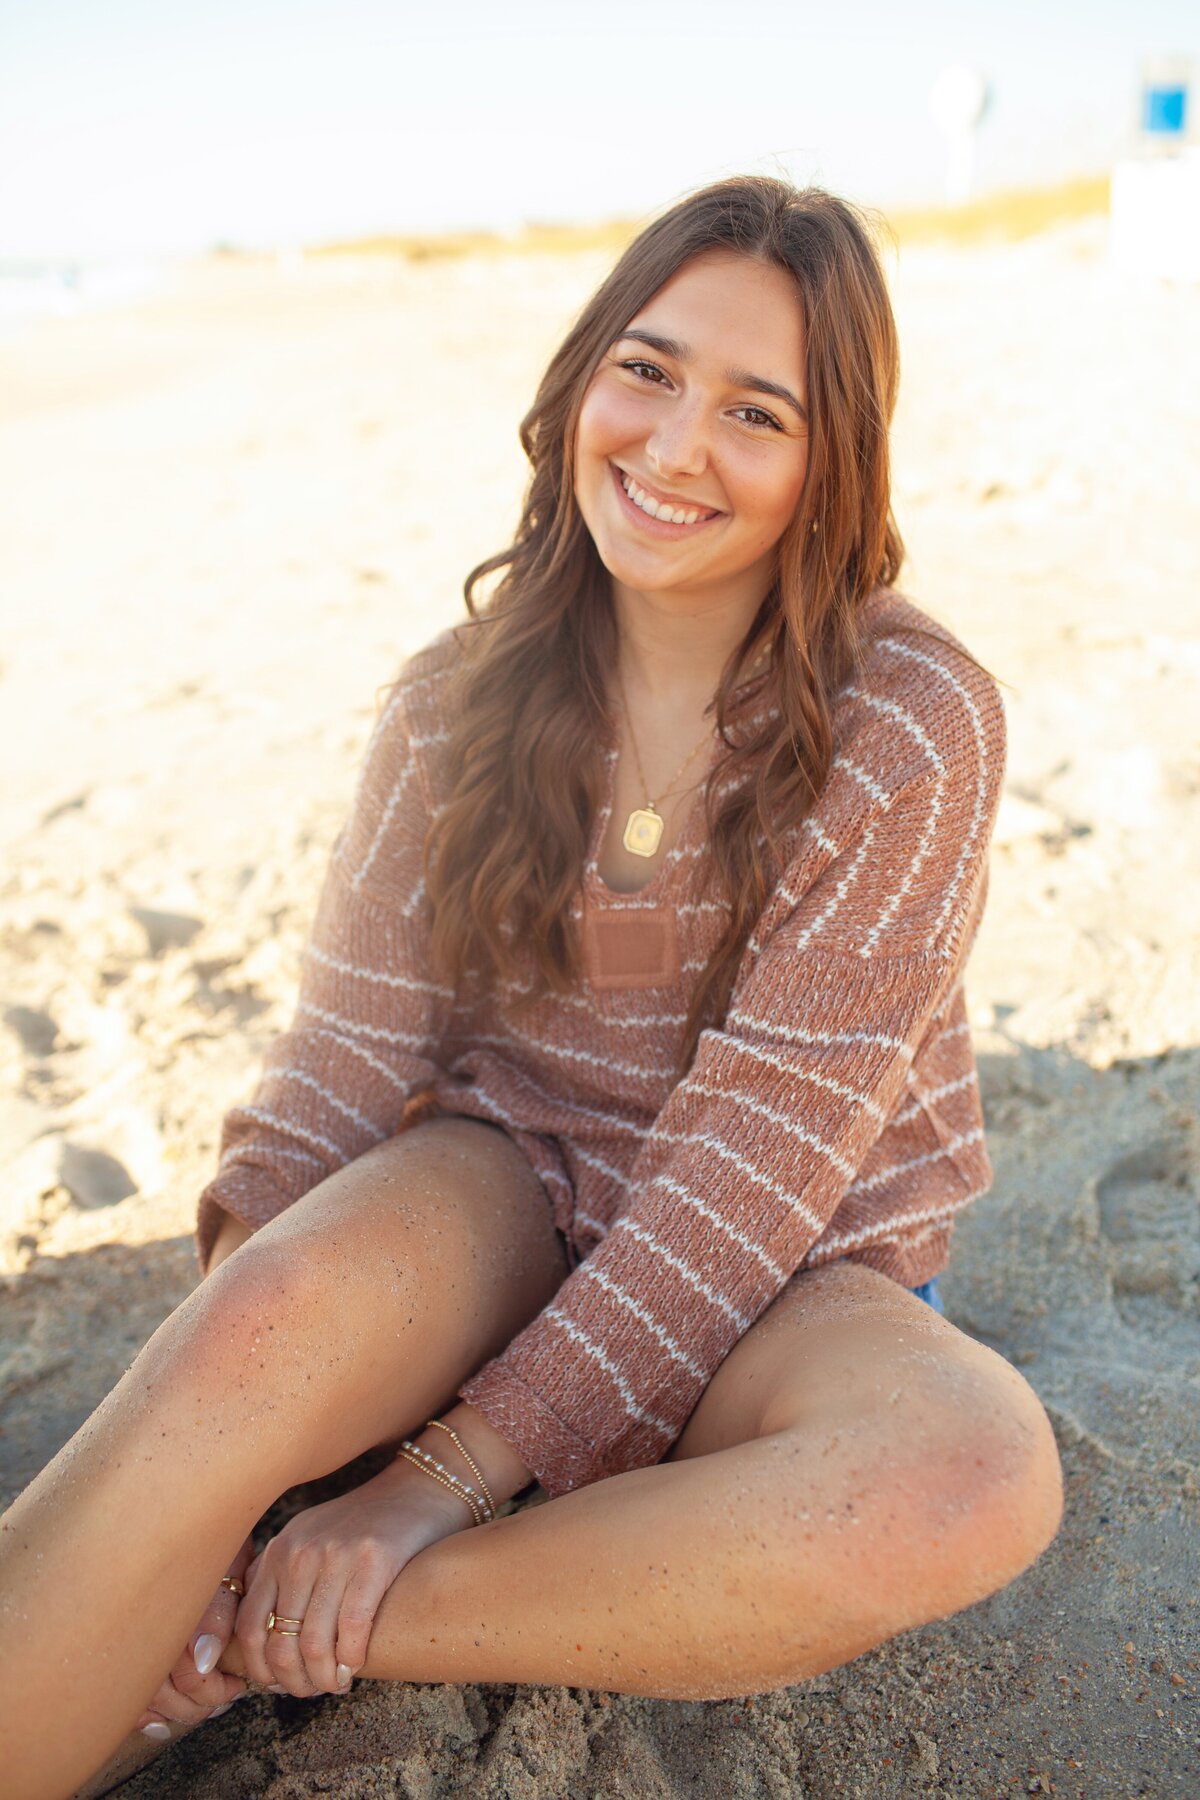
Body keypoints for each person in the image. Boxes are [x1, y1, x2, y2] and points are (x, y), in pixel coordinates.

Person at [0, 174, 1063, 1800]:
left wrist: (432, 1478)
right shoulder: (451, 706)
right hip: (509, 1185)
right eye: (646, 369)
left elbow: (752, 1168)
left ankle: (297, 1622)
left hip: (790, 1261)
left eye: (755, 411)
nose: (676, 444)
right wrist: (261, 1378)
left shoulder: (912, 722)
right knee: (261, 1317)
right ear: (579, 383)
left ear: (828, 466)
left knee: (971, 1476)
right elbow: (338, 1073)